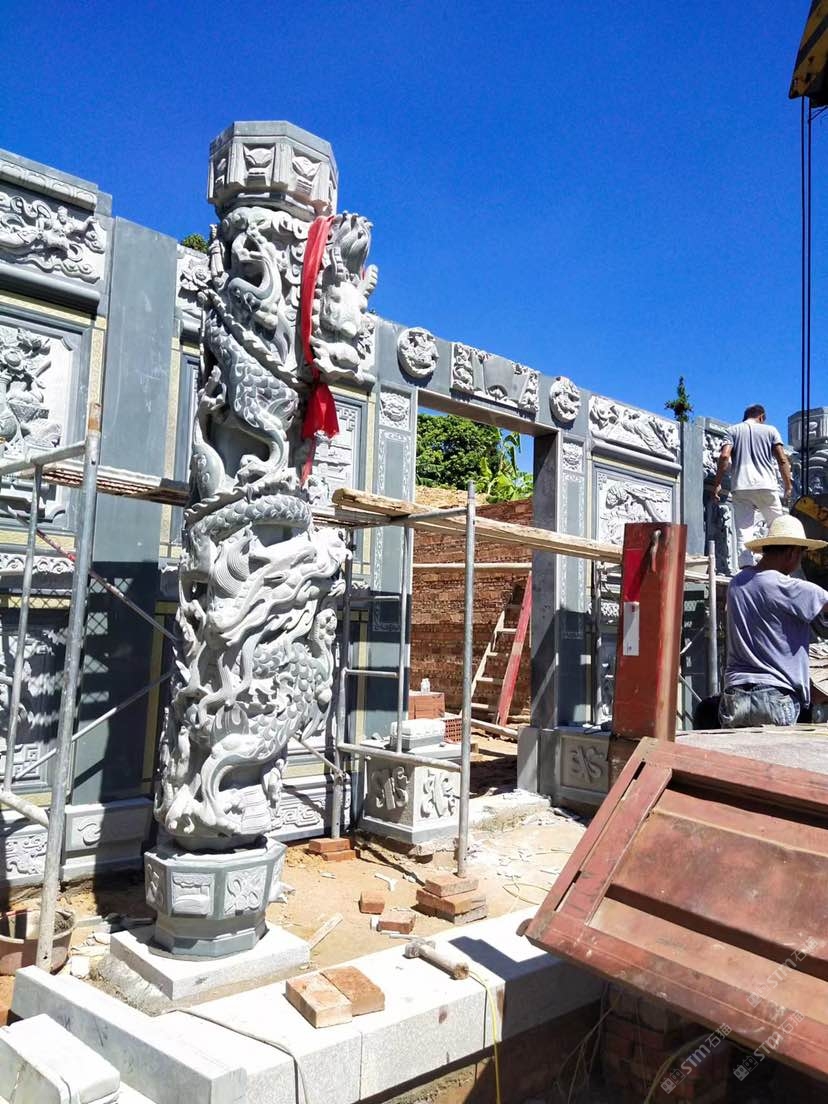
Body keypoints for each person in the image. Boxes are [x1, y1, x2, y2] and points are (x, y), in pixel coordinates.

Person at [719, 515, 828, 728]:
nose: (800, 562)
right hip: (775, 695)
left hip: (735, 694)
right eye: (801, 555)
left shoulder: (737, 583)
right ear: (791, 552)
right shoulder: (787, 587)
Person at [713, 404, 793, 570]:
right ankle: (778, 566)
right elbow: (782, 459)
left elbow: (724, 456)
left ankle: (747, 569)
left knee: (744, 530)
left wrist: (717, 483)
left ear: (745, 416)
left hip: (741, 486)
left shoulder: (732, 430)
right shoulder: (770, 430)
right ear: (761, 417)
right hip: (766, 486)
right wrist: (788, 485)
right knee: (778, 527)